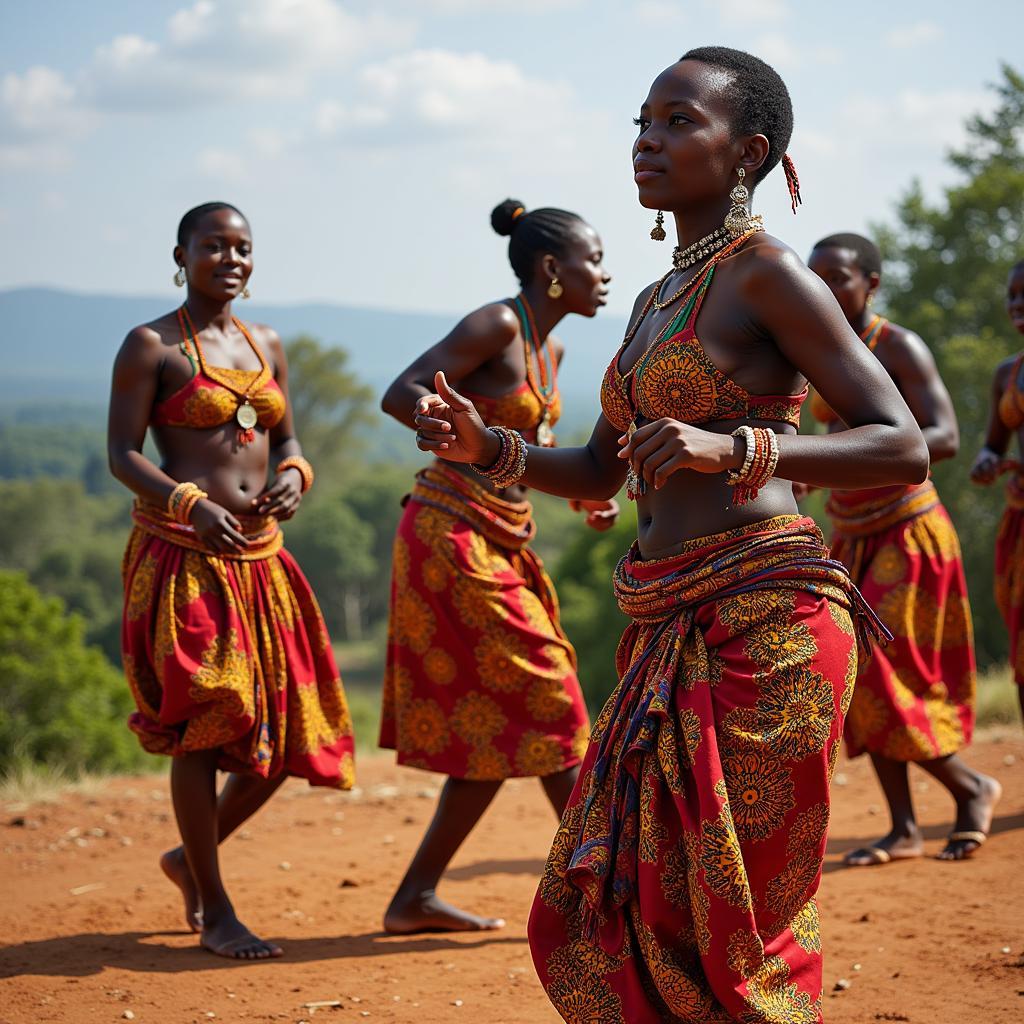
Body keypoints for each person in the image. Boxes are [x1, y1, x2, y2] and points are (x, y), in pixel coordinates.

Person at [412, 46, 929, 1024]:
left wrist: (735, 446)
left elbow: (901, 443)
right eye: (642, 121)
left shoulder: (767, 274)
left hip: (769, 628)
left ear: (749, 152)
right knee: (625, 901)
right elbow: (603, 468)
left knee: (739, 927)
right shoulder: (652, 303)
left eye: (678, 121)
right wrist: (492, 448)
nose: (649, 139)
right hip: (667, 621)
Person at [107, 202, 355, 960]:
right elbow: (121, 454)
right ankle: (216, 909)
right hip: (184, 557)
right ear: (180, 255)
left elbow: (287, 436)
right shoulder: (151, 345)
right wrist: (187, 500)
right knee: (209, 719)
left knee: (288, 732)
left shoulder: (265, 341)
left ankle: (189, 859)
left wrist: (295, 473)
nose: (231, 258)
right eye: (213, 246)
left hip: (262, 558)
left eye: (242, 247)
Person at [378, 199, 616, 934]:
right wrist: (440, 423)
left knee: (502, 726)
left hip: (501, 533)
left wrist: (580, 501)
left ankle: (414, 896)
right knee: (553, 697)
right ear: (552, 270)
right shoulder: (499, 324)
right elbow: (401, 391)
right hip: (451, 535)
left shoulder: (553, 351)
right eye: (594, 260)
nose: (605, 275)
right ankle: (605, 891)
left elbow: (525, 443)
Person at [807, 233, 1001, 864]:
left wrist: (867, 451)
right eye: (816, 277)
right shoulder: (815, 347)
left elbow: (942, 436)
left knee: (885, 671)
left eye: (839, 276)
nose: (827, 288)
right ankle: (904, 827)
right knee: (855, 676)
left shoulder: (896, 346)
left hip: (907, 530)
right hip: (850, 533)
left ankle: (971, 787)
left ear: (872, 284)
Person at [971, 258, 1024, 720]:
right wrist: (987, 462)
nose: (1017, 303)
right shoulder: (1007, 374)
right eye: (1012, 294)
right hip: (1020, 520)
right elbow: (991, 444)